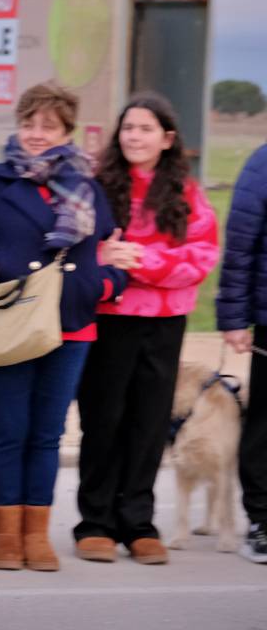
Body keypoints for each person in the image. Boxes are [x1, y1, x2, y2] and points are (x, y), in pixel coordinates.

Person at [0, 81, 128, 573]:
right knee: (7, 432)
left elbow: (112, 246)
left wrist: (106, 284)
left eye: (48, 125)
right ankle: (3, 535)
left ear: (66, 130)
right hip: (12, 319)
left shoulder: (87, 186)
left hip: (71, 325)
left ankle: (35, 534)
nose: (36, 134)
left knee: (46, 434)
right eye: (29, 123)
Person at [74, 94, 218, 565]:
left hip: (164, 323)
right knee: (103, 419)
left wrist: (144, 260)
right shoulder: (96, 184)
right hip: (110, 319)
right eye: (128, 127)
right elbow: (74, 245)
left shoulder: (186, 192)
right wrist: (102, 258)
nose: (135, 136)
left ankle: (138, 522)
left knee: (149, 424)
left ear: (167, 139)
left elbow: (202, 255)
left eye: (146, 128)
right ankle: (94, 522)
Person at [216, 139, 267, 565]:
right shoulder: (262, 162)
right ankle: (262, 521)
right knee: (265, 425)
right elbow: (240, 244)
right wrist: (234, 317)